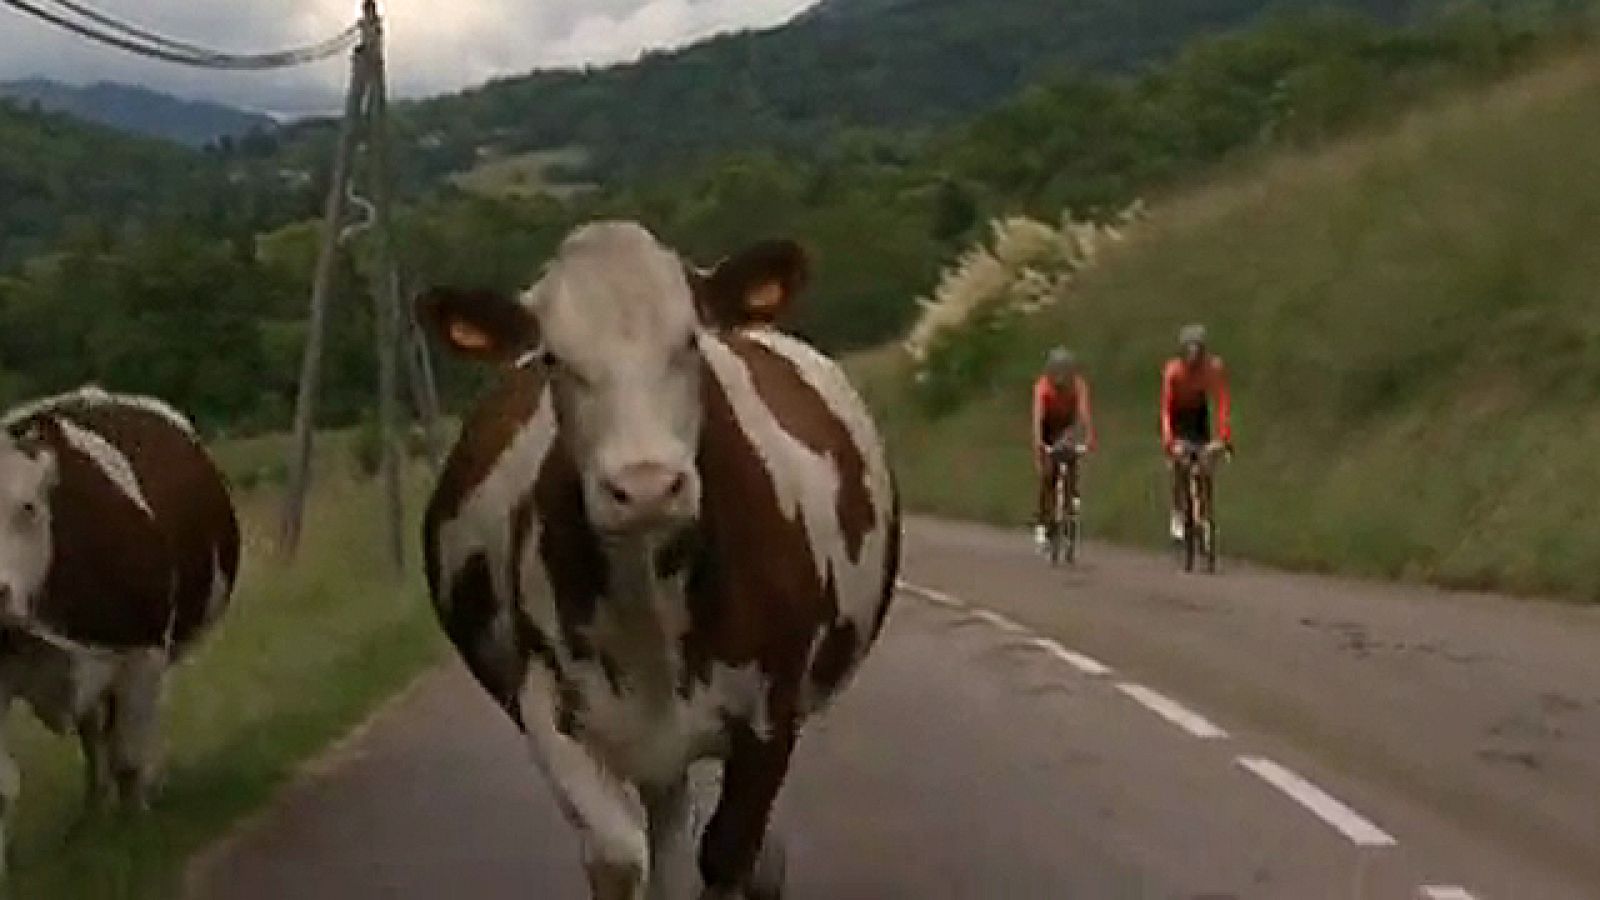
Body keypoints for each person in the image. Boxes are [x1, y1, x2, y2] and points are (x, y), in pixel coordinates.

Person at [1160, 323, 1232, 541]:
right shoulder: (1173, 371)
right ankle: (1178, 511)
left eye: (1198, 350)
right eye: (1189, 350)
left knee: (1205, 465)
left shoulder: (1213, 368)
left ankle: (1206, 514)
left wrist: (1223, 437)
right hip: (1179, 418)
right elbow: (1166, 408)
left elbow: (1222, 404)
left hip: (1199, 418)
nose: (1193, 356)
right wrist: (1169, 441)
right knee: (1179, 466)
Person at [1032, 346, 1097, 550]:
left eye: (1065, 372)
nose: (1061, 377)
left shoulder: (1078, 386)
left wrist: (1088, 439)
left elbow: (1084, 414)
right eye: (1057, 372)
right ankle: (1043, 522)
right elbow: (1037, 419)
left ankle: (1071, 505)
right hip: (1048, 427)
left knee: (1071, 464)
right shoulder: (1042, 387)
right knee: (1048, 475)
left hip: (1067, 427)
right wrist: (1039, 445)